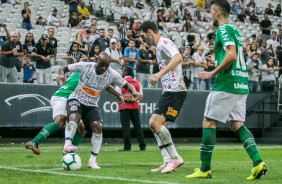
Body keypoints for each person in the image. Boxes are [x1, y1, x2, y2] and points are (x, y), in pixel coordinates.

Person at [185, 0, 267, 180]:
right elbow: (233, 55)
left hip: (227, 83)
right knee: (236, 123)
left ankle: (204, 168)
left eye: (211, 11)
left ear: (216, 12)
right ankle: (257, 162)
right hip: (241, 83)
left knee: (208, 122)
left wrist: (212, 72)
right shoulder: (235, 31)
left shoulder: (222, 30)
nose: (209, 14)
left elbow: (231, 55)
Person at [57, 52, 140, 169]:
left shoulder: (111, 74)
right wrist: (61, 75)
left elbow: (126, 85)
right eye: (102, 65)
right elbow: (63, 68)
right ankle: (67, 144)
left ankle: (92, 161)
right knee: (75, 117)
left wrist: (134, 92)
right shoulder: (85, 66)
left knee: (97, 127)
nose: (104, 68)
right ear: (96, 60)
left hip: (92, 104)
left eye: (106, 66)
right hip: (76, 98)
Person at [139, 20, 187, 173]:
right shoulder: (158, 47)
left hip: (175, 91)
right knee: (155, 126)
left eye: (142, 35)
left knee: (155, 122)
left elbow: (178, 58)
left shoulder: (164, 43)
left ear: (149, 32)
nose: (142, 39)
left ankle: (175, 158)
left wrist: (159, 74)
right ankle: (167, 161)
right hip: (171, 91)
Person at [25, 72, 86, 155]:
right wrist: (61, 74)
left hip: (73, 100)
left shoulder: (90, 73)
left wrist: (64, 78)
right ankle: (34, 142)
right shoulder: (84, 70)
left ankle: (69, 154)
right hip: (62, 96)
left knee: (82, 129)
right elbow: (63, 68)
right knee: (60, 121)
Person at [117, 67, 146, 151]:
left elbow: (118, 96)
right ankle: (142, 145)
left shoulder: (121, 83)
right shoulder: (137, 83)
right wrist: (133, 100)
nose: (122, 72)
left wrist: (127, 100)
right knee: (138, 126)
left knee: (126, 127)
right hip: (134, 107)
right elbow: (141, 96)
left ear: (125, 72)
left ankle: (127, 147)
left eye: (123, 71)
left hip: (124, 107)